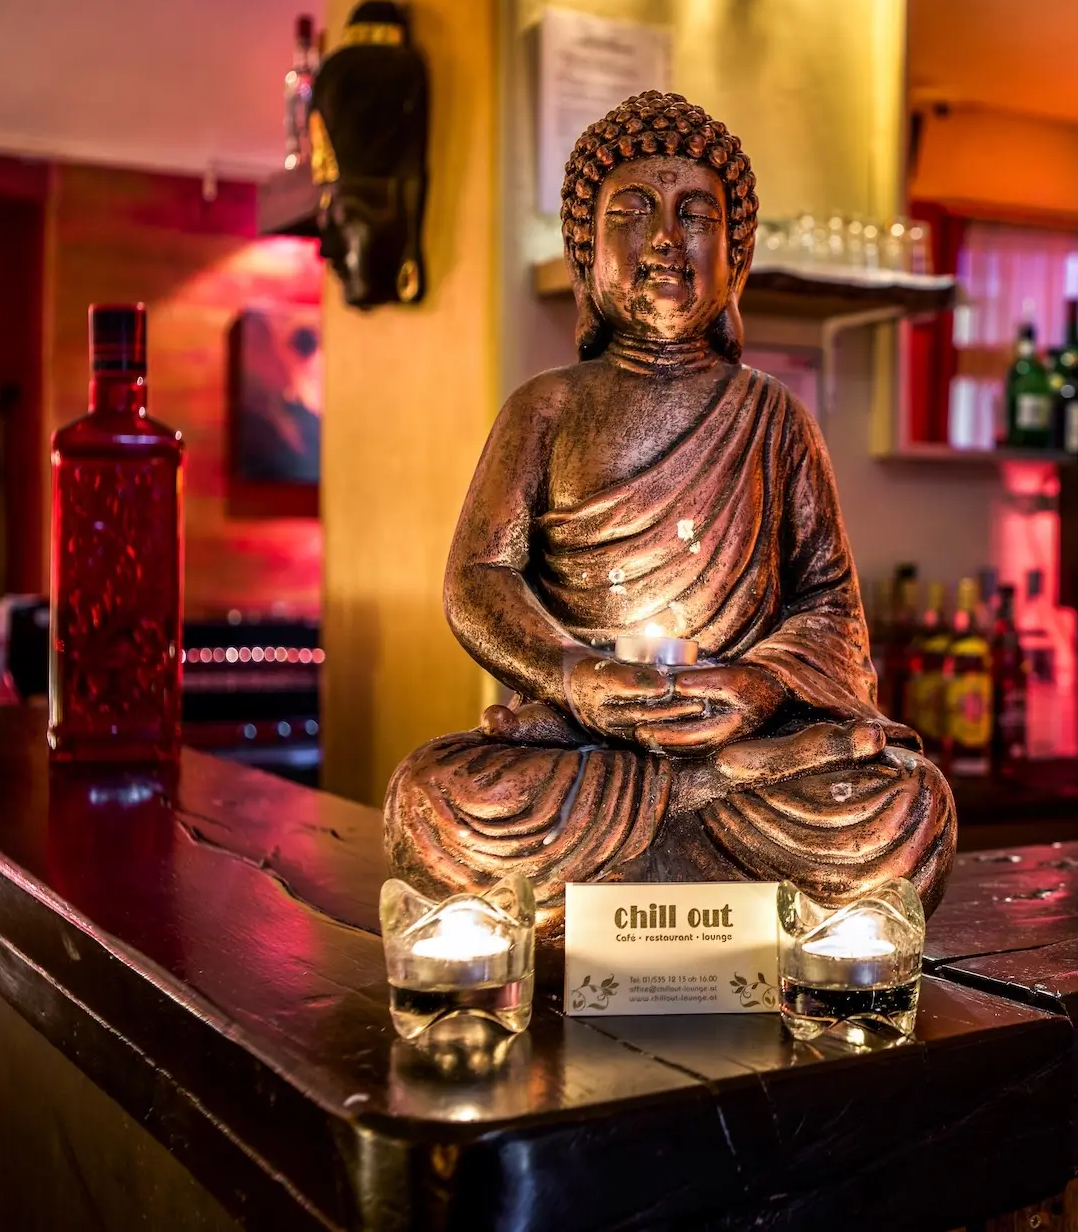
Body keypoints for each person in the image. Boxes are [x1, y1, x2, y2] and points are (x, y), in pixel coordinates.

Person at [384, 91, 954, 941]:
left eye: (695, 214)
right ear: (586, 254)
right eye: (633, 213)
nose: (664, 239)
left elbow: (831, 605)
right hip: (588, 748)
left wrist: (758, 686)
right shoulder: (544, 408)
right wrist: (577, 676)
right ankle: (703, 815)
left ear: (737, 258)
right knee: (433, 798)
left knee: (909, 806)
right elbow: (478, 578)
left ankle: (646, 851)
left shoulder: (775, 417)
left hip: (743, 749)